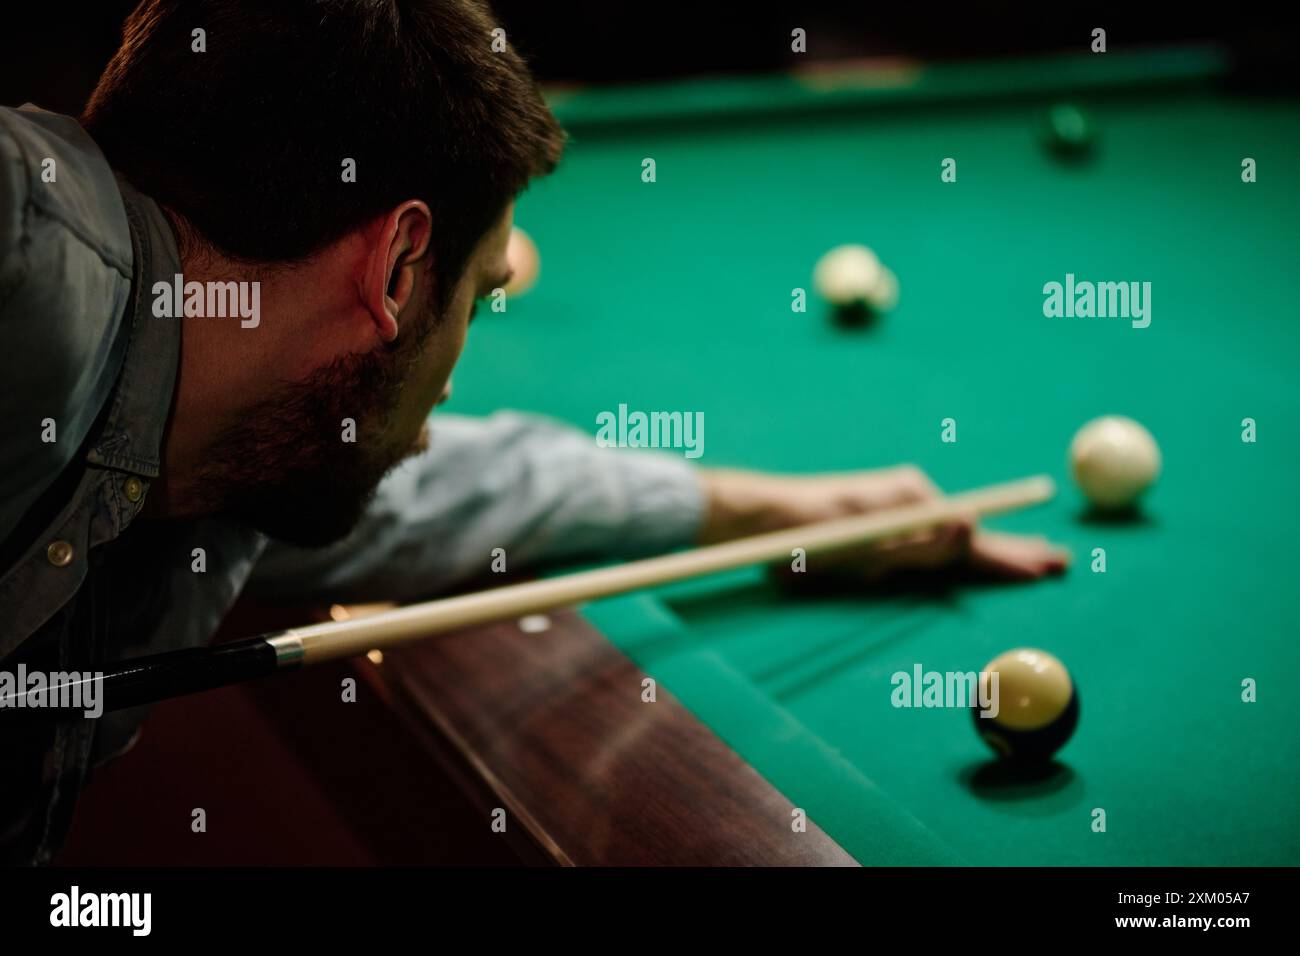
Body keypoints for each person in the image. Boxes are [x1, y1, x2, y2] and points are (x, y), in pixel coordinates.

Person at [0, 0, 1066, 865]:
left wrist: (790, 511)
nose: (451, 378)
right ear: (398, 267)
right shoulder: (25, 274)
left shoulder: (222, 422)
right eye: (482, 297)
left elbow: (437, 492)